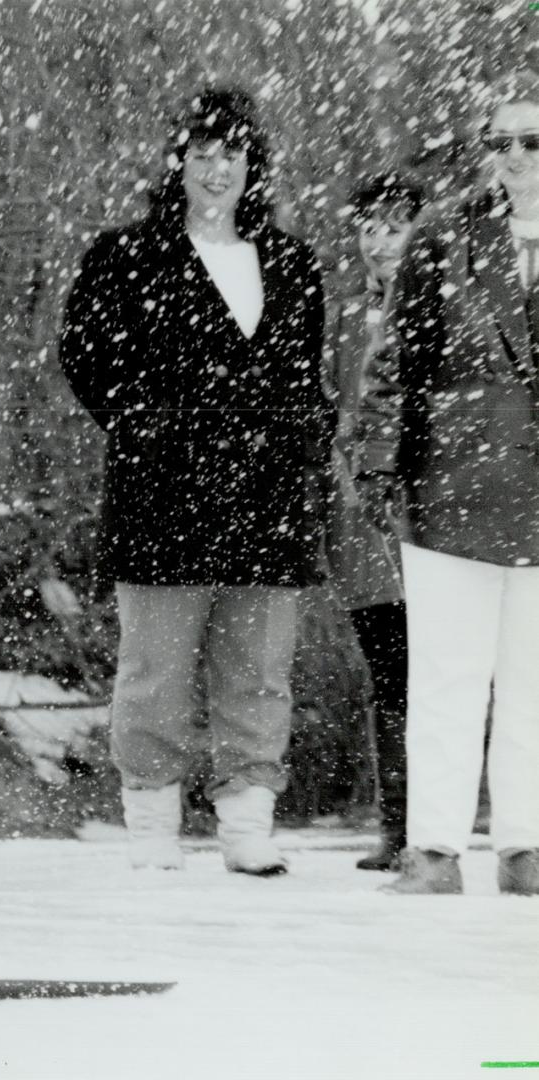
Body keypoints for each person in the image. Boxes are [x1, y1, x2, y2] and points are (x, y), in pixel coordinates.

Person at [58, 87, 331, 876]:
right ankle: (153, 827)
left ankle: (248, 826)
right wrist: (142, 420)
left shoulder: (289, 260)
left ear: (255, 167)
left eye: (233, 156)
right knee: (155, 672)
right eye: (203, 155)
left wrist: (302, 434)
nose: (218, 171)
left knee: (258, 670)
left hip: (267, 499)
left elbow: (304, 371)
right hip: (162, 495)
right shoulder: (126, 257)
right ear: (178, 164)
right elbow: (86, 356)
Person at [362, 71, 539, 897]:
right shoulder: (443, 237)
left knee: (535, 683)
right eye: (497, 143)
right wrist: (376, 467)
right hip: (454, 480)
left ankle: (526, 847)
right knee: (444, 674)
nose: (513, 158)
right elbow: (394, 363)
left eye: (531, 142)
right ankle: (432, 849)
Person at [323, 174, 425, 872]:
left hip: (436, 501)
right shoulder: (345, 311)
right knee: (389, 669)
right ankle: (399, 824)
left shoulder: (450, 296)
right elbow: (332, 401)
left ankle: (443, 819)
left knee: (446, 669)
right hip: (361, 509)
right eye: (369, 226)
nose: (380, 240)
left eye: (394, 224)